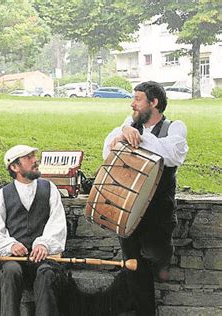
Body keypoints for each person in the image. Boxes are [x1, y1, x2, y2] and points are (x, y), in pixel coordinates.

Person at [102, 81, 188, 315]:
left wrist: (134, 136)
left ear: (154, 102)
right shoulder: (128, 125)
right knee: (134, 267)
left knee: (152, 259)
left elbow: (171, 155)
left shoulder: (174, 127)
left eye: (138, 99)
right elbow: (106, 151)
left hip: (158, 216)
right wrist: (122, 134)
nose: (132, 104)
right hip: (128, 211)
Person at [0, 145, 67, 316]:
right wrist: (11, 245)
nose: (35, 160)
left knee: (46, 274)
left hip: (45, 258)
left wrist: (44, 244)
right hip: (14, 258)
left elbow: (57, 222)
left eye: (33, 156)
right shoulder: (2, 195)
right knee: (11, 271)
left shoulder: (49, 188)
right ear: (14, 167)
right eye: (28, 158)